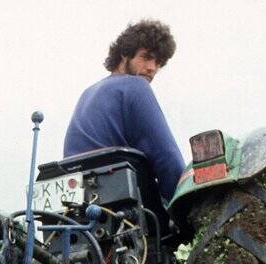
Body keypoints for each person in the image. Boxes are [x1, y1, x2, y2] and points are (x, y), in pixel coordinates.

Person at [63, 20, 185, 203]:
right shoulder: (135, 86)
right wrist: (188, 208)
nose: (152, 67)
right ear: (124, 54)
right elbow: (168, 159)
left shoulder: (87, 93)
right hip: (124, 208)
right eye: (146, 57)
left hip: (79, 207)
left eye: (158, 62)